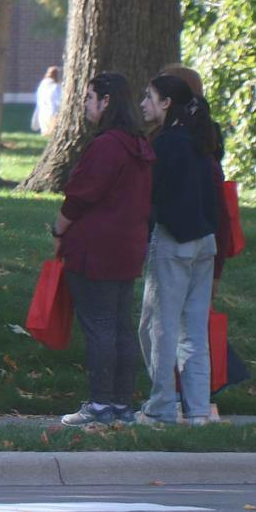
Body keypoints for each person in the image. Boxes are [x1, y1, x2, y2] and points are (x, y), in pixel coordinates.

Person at [48, 72, 154, 425]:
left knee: (100, 328)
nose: (85, 104)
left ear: (106, 101)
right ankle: (122, 404)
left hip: (95, 249)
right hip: (127, 246)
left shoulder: (107, 146)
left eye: (89, 97)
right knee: (121, 326)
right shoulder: (140, 146)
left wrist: (58, 230)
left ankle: (100, 404)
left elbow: (80, 195)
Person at [137, 73, 225, 425]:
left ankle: (161, 406)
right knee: (194, 330)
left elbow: (152, 197)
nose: (143, 104)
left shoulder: (167, 144)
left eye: (149, 96)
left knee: (158, 326)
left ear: (166, 103)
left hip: (174, 240)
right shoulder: (200, 140)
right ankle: (198, 409)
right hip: (205, 241)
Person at [32, 65, 64, 136]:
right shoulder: (55, 87)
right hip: (53, 117)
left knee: (46, 135)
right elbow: (58, 103)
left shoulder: (42, 86)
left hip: (42, 116)